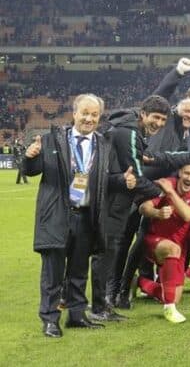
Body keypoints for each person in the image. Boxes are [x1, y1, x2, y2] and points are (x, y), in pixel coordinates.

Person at [24, 93, 136, 338]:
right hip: (58, 215)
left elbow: (106, 179)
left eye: (94, 115)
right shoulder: (52, 140)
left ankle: (76, 315)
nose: (89, 118)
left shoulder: (104, 144)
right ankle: (50, 319)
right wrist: (30, 157)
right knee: (52, 273)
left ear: (99, 117)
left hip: (87, 216)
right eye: (84, 113)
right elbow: (32, 171)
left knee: (78, 271)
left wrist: (122, 180)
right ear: (74, 113)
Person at [91, 95, 169, 322]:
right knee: (106, 253)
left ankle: (99, 304)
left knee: (105, 252)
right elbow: (134, 175)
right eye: (156, 117)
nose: (159, 123)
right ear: (143, 114)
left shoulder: (124, 128)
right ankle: (99, 307)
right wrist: (163, 194)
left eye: (163, 119)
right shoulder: (130, 133)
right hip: (113, 202)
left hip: (109, 199)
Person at [137, 162, 190, 323]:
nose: (189, 178)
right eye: (187, 173)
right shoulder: (167, 183)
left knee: (174, 296)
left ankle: (140, 282)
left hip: (178, 247)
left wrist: (171, 194)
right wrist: (157, 212)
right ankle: (169, 309)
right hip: (155, 241)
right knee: (172, 249)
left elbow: (188, 215)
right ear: (180, 173)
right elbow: (143, 207)